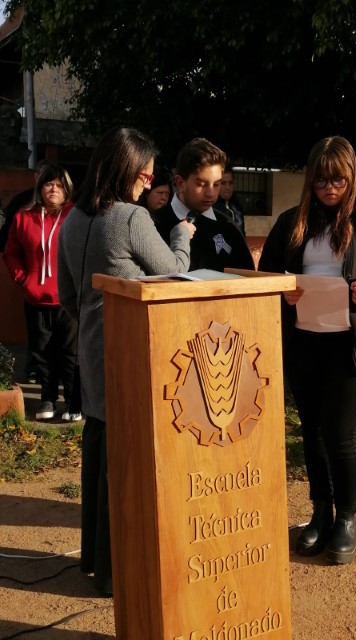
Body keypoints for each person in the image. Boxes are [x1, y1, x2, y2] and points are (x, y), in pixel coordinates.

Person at [259, 136, 356, 564]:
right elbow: (266, 275)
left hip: (353, 348)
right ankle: (320, 512)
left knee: (339, 434)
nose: (329, 188)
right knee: (311, 432)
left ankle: (346, 517)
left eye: (338, 180)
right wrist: (283, 291)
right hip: (304, 343)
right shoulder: (292, 222)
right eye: (321, 180)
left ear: (352, 178)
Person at [57, 126, 195, 596]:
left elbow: (66, 295)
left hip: (91, 349)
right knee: (127, 459)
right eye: (146, 175)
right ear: (129, 171)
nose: (149, 183)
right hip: (131, 351)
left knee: (99, 447)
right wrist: (181, 235)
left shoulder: (72, 219)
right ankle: (119, 571)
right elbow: (175, 272)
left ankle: (98, 561)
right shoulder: (132, 218)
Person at [3, 163, 77, 420]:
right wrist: (23, 280)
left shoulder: (75, 217)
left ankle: (73, 402)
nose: (53, 189)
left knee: (70, 353)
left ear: (67, 189)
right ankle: (48, 399)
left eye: (59, 185)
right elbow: (11, 253)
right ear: (40, 187)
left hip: (68, 299)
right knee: (42, 351)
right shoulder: (24, 217)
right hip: (35, 297)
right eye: (48, 184)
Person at [152, 137, 255, 272]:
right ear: (180, 183)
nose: (210, 193)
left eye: (216, 184)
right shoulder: (153, 226)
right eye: (201, 184)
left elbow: (248, 278)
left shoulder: (229, 228)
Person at [1, 158, 48, 384]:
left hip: (60, 281)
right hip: (32, 277)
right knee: (35, 328)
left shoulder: (66, 205)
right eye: (44, 176)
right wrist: (22, 277)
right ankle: (34, 368)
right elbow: (7, 243)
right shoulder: (22, 203)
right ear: (36, 176)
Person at [215, 164, 246, 235]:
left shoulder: (237, 206)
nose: (228, 187)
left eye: (230, 183)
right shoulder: (210, 209)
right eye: (223, 183)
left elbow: (242, 233)